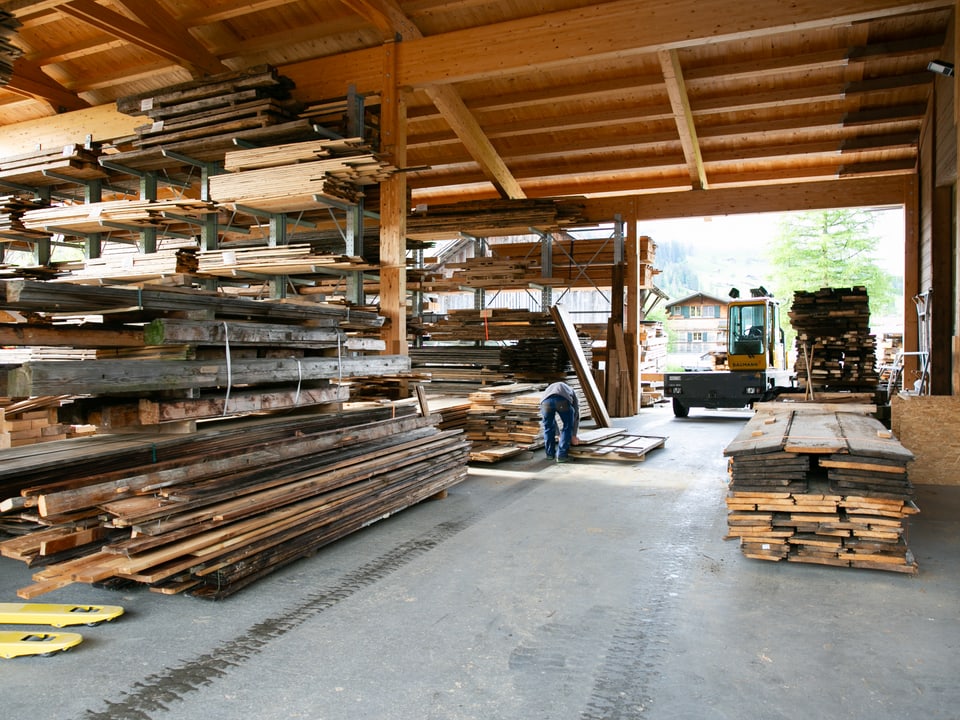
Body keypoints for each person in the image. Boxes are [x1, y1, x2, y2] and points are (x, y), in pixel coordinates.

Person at [540, 381, 580, 463]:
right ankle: (562, 456)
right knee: (567, 426)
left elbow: (551, 421)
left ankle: (549, 455)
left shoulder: (549, 389)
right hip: (562, 401)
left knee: (548, 428)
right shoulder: (570, 389)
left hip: (545, 403)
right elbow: (576, 414)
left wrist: (557, 434)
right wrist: (573, 435)